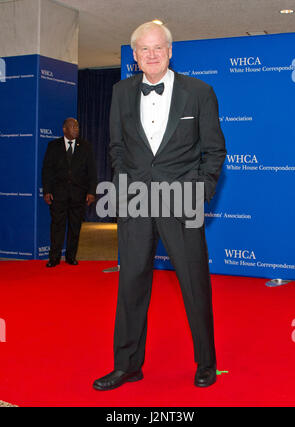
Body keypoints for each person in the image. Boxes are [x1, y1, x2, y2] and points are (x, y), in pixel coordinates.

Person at [93, 22, 226, 391]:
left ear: (170, 51)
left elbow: (214, 151)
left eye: (158, 48)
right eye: (144, 50)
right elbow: (116, 147)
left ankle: (206, 362)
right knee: (131, 285)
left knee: (194, 284)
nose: (151, 55)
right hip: (135, 202)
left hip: (182, 199)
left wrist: (198, 192)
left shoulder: (199, 92)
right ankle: (127, 366)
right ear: (134, 56)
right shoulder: (120, 92)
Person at [42, 118, 97, 267]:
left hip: (78, 195)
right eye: (72, 127)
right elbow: (47, 170)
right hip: (58, 194)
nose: (76, 129)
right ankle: (54, 258)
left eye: (77, 126)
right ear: (64, 129)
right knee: (57, 227)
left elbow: (92, 172)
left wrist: (91, 192)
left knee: (75, 227)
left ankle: (71, 257)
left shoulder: (85, 146)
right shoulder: (53, 146)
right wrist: (46, 191)